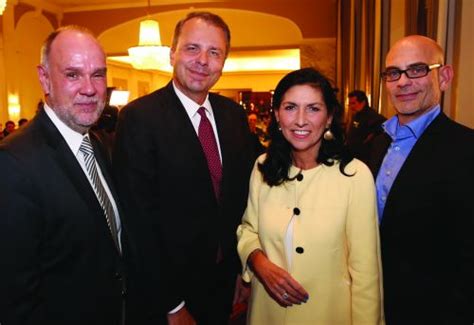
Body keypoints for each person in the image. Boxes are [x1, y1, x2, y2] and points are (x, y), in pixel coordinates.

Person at [113, 11, 256, 324]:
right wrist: (172, 305)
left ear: (224, 62)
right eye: (192, 48)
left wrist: (241, 274)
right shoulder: (140, 119)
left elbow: (242, 199)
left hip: (223, 284)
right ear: (171, 54)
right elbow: (138, 222)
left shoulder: (233, 116)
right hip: (167, 295)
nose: (202, 60)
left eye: (214, 52)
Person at [0, 26, 133, 325]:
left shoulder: (98, 143)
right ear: (45, 79)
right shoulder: (13, 164)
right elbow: (15, 300)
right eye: (72, 74)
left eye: (98, 74)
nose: (89, 88)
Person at [237, 68, 383, 324]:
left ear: (328, 118)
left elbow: (366, 274)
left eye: (314, 108)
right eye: (291, 107)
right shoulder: (263, 166)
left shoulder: (355, 176)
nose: (300, 120)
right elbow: (248, 229)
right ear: (277, 115)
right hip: (266, 315)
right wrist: (259, 262)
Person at [368, 35, 474, 324]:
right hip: (370, 305)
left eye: (417, 69)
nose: (402, 82)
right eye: (393, 73)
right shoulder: (376, 142)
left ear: (445, 76)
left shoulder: (466, 149)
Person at [345, 90, 386, 163]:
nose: (351, 106)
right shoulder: (357, 114)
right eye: (350, 104)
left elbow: (384, 125)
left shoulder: (371, 115)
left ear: (363, 102)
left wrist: (368, 140)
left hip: (364, 158)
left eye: (353, 103)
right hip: (354, 156)